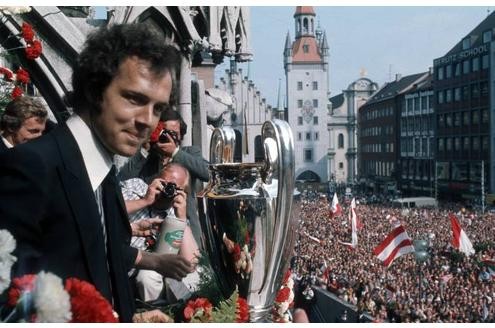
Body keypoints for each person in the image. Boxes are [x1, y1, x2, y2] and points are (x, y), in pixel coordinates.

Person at [0, 24, 194, 322]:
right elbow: (11, 302)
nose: (147, 121)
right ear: (93, 90)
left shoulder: (103, 172)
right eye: (134, 99)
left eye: (158, 108)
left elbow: (98, 252)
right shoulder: (32, 166)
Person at [118, 107, 209, 246]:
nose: (168, 136)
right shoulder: (147, 159)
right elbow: (122, 180)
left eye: (173, 133)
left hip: (186, 231)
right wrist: (145, 147)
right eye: (164, 132)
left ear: (181, 135)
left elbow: (209, 173)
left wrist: (175, 153)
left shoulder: (189, 153)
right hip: (148, 232)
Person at [121, 162, 199, 301]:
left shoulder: (175, 210)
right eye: (164, 183)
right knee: (147, 276)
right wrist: (145, 201)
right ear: (156, 178)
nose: (166, 190)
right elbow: (108, 211)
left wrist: (181, 218)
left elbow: (191, 263)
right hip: (127, 260)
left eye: (173, 187)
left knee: (194, 277)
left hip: (161, 266)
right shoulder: (135, 186)